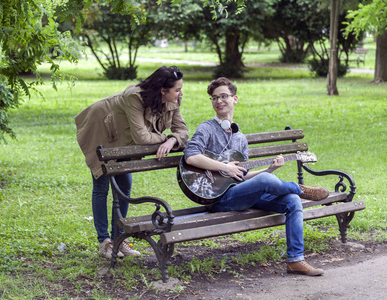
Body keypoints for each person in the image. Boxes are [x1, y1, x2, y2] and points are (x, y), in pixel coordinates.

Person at [183, 77, 329, 276]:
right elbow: (191, 157)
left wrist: (269, 170)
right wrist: (224, 166)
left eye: (223, 96)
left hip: (242, 192)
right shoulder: (206, 129)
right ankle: (300, 188)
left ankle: (295, 260)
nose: (218, 101)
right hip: (218, 197)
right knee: (275, 186)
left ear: (235, 99)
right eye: (214, 98)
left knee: (292, 201)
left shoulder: (239, 137)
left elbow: (243, 175)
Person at [75, 66, 189, 259]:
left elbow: (183, 131)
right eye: (177, 89)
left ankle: (119, 239)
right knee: (102, 186)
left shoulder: (173, 99)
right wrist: (165, 138)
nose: (180, 93)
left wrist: (172, 140)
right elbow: (142, 137)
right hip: (103, 130)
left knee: (124, 186)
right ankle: (105, 242)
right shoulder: (134, 97)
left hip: (126, 141)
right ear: (163, 90)